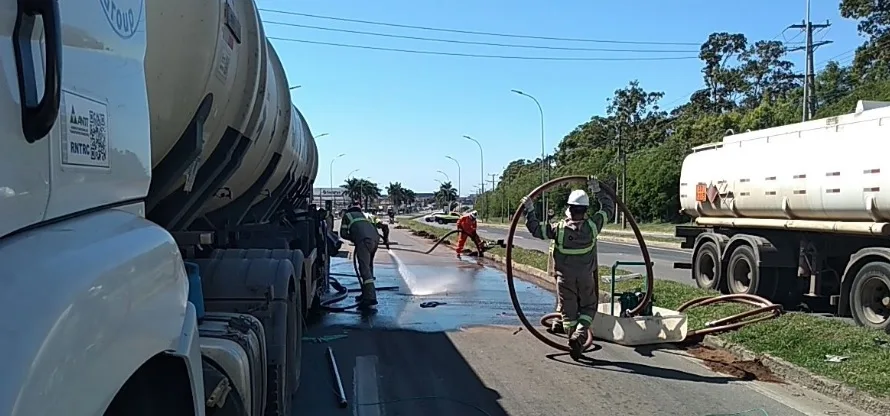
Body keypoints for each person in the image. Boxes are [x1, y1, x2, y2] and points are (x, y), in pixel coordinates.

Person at [520, 178, 615, 360]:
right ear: (586, 210)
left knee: (568, 312)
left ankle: (573, 336)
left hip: (564, 280)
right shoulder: (593, 226)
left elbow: (536, 229)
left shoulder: (559, 229)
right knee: (589, 306)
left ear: (569, 208)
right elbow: (608, 209)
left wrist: (530, 210)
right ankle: (580, 334)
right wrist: (598, 191)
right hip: (586, 278)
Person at [339, 201, 380, 307]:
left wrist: (354, 238)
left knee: (364, 269)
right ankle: (366, 294)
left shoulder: (347, 215)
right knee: (369, 267)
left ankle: (371, 297)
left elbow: (343, 234)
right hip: (375, 240)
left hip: (363, 241)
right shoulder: (364, 215)